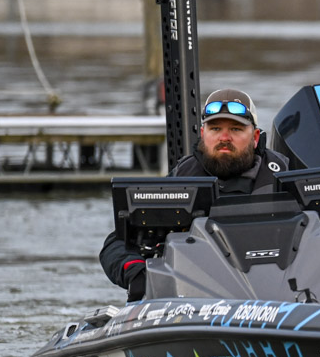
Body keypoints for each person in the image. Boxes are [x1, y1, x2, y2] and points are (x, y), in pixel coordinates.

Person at [99, 88, 290, 301]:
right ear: (202, 134)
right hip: (195, 300)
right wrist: (138, 275)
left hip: (276, 297)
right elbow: (117, 244)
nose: (224, 138)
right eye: (215, 128)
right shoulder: (182, 178)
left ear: (255, 137)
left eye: (236, 129)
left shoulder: (282, 178)